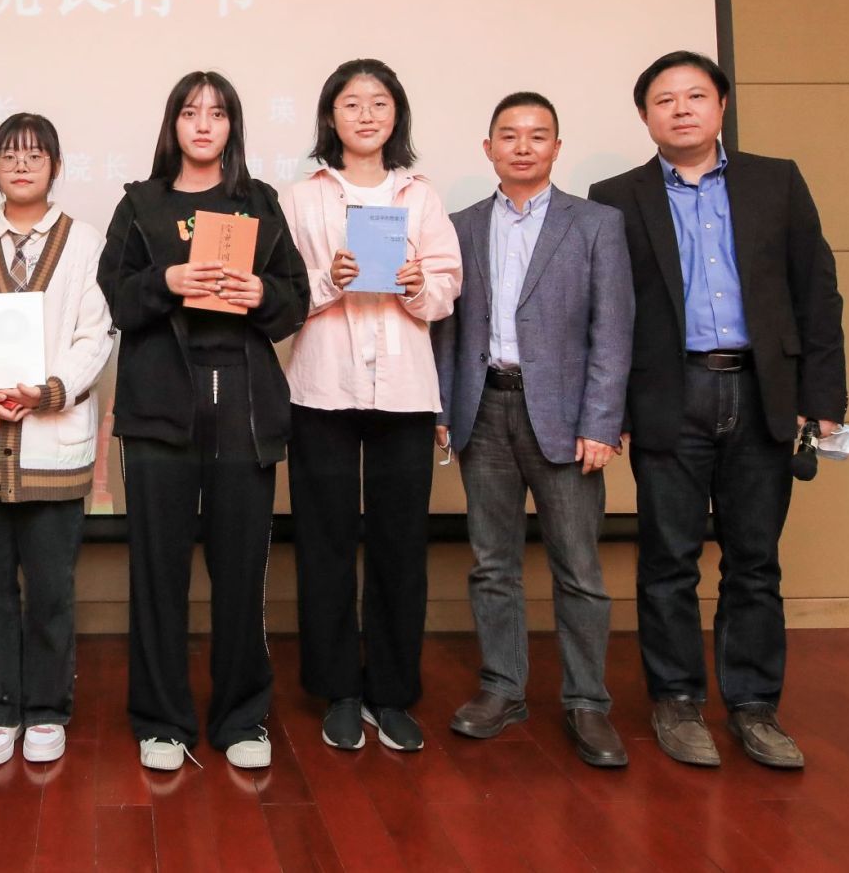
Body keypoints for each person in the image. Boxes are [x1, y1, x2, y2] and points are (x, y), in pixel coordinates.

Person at [589, 51, 846, 771]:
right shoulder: (615, 196)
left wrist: (822, 399)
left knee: (754, 560)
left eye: (695, 95)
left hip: (763, 392)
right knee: (668, 559)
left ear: (721, 105)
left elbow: (817, 291)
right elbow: (607, 311)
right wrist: (611, 407)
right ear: (645, 116)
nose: (681, 109)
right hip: (668, 394)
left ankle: (755, 706)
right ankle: (675, 699)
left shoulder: (776, 181)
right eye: (664, 99)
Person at [98, 71, 309, 772]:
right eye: (190, 113)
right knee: (158, 570)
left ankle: (242, 715)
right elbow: (114, 299)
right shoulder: (141, 203)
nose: (203, 125)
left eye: (217, 114)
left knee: (242, 570)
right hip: (159, 407)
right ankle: (162, 720)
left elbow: (294, 300)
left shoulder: (259, 201)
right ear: (173, 125)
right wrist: (167, 281)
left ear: (232, 127)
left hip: (243, 407)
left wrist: (258, 293)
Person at [432, 92, 634, 768]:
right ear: (487, 147)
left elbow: (613, 330)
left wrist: (602, 421)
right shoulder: (460, 225)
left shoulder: (597, 224)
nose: (523, 146)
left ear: (556, 147)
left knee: (579, 568)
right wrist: (442, 408)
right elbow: (448, 328)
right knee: (493, 564)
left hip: (568, 420)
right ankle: (502, 688)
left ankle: (588, 701)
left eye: (537, 135)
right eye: (509, 135)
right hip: (483, 410)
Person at [280, 58, 461, 753]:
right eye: (351, 103)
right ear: (331, 116)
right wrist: (331, 278)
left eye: (378, 102)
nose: (365, 114)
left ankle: (391, 691)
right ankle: (339, 690)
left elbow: (447, 285)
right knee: (324, 543)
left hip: (406, 393)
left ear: (396, 115)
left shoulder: (421, 195)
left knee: (399, 546)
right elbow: (282, 291)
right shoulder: (301, 198)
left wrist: (417, 285)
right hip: (321, 389)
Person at [0, 113, 114, 768]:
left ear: (56, 166)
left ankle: (46, 707)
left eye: (36, 155)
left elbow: (96, 335)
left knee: (51, 588)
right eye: (9, 154)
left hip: (52, 447)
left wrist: (50, 390)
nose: (22, 164)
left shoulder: (86, 243)